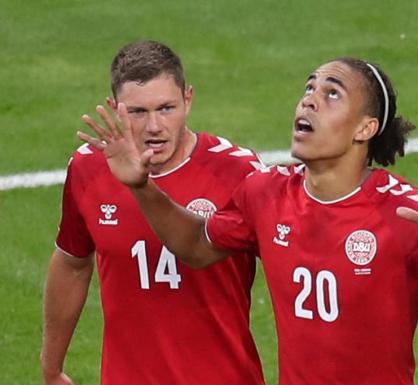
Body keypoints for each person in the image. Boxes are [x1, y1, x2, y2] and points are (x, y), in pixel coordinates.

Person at [79, 56, 418, 385]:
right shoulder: (265, 193)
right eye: (309, 88)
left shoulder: (407, 214)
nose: (309, 101)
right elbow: (196, 247)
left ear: (365, 128)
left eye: (331, 94)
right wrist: (142, 186)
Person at [41, 40, 266, 385]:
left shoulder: (240, 173)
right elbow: (72, 262)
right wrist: (52, 366)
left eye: (166, 108)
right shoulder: (89, 168)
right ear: (116, 108)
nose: (154, 127)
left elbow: (289, 269)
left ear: (188, 100)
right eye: (138, 112)